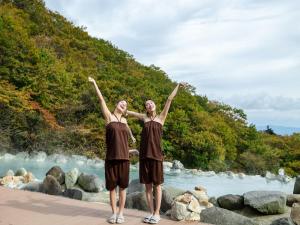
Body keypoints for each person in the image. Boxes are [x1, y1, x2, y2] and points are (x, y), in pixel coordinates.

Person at [126, 82, 186, 224]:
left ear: (155, 106)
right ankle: (151, 212)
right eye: (147, 104)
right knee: (147, 187)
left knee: (157, 186)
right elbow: (130, 113)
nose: (149, 104)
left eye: (151, 103)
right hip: (144, 157)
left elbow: (169, 99)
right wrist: (122, 110)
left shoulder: (161, 118)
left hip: (157, 156)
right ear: (146, 109)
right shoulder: (144, 118)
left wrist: (177, 86)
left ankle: (157, 213)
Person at [88, 77, 136, 224]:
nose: (123, 104)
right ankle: (113, 213)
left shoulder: (125, 121)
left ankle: (121, 213)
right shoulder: (109, 117)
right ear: (117, 105)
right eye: (122, 102)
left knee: (123, 188)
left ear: (125, 110)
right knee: (112, 188)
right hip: (111, 158)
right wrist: (95, 83)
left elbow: (125, 135)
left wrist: (132, 140)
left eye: (125, 105)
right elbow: (101, 100)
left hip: (124, 159)